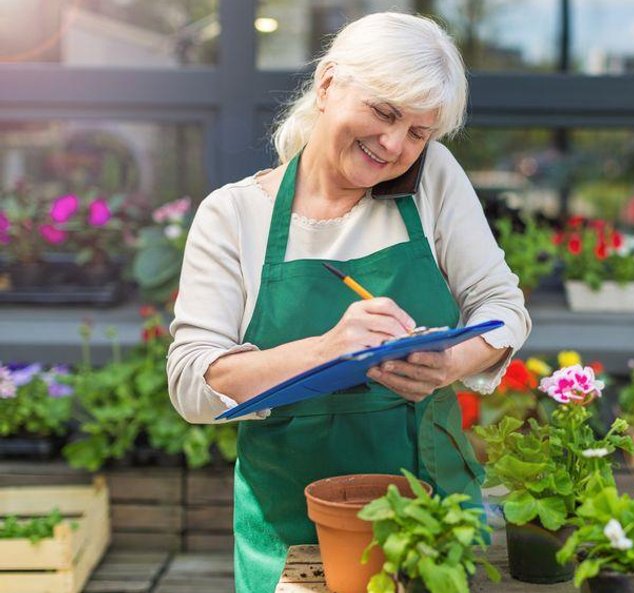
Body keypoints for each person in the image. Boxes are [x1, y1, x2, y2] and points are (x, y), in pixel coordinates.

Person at [166, 11, 531, 593]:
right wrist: (325, 350)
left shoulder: (431, 179)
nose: (394, 146)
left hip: (430, 515)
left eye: (418, 132)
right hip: (291, 529)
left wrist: (450, 365)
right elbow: (192, 384)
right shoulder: (234, 216)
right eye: (385, 113)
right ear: (329, 83)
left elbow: (503, 308)